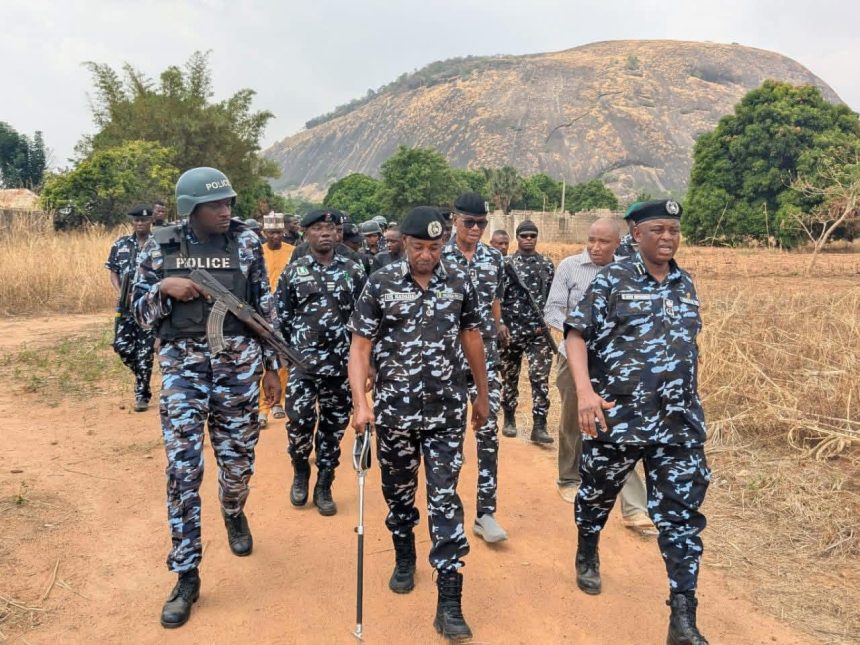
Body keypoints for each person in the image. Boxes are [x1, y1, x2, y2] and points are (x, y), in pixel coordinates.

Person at [132, 167, 282, 629]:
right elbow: (138, 314)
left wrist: (272, 367)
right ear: (190, 209)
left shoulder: (246, 243)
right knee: (182, 471)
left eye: (228, 202)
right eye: (216, 204)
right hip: (183, 371)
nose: (225, 211)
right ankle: (186, 574)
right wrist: (163, 289)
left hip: (238, 370)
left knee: (237, 466)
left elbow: (264, 306)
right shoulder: (160, 246)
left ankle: (233, 508)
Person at [564, 199, 710, 645]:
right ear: (636, 234)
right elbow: (576, 335)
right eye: (657, 229)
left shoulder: (685, 283)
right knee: (596, 496)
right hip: (619, 418)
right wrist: (585, 393)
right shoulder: (612, 280)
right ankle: (588, 548)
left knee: (681, 517)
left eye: (673, 230)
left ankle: (682, 617)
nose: (667, 237)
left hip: (678, 423)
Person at [348, 206, 489, 641]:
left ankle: (449, 601)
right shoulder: (380, 282)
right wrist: (360, 403)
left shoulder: (460, 281)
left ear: (443, 244)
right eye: (418, 247)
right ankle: (405, 552)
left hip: (446, 411)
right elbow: (360, 346)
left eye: (434, 247)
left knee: (445, 497)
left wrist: (482, 394)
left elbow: (471, 338)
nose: (426, 255)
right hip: (395, 412)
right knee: (399, 492)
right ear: (404, 243)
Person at [544, 218, 653, 529]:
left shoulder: (628, 272)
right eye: (591, 240)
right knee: (572, 419)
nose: (595, 247)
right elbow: (552, 309)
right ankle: (569, 478)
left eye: (603, 242)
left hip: (612, 363)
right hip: (572, 358)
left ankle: (633, 508)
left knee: (618, 425)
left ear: (617, 244)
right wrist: (577, 333)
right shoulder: (569, 267)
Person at [275, 209, 366, 516]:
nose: (325, 233)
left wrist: (366, 363)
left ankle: (325, 484)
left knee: (333, 428)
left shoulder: (354, 270)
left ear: (338, 233)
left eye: (330, 227)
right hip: (303, 365)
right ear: (306, 234)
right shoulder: (293, 271)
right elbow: (281, 317)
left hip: (341, 366)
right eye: (317, 228)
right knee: (298, 422)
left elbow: (365, 319)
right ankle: (300, 469)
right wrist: (286, 356)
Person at [442, 192, 509, 544]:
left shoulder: (494, 258)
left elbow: (496, 300)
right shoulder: (438, 256)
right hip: (448, 362)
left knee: (488, 435)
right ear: (455, 220)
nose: (476, 229)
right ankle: (447, 512)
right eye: (469, 222)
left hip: (486, 360)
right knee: (450, 439)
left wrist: (498, 327)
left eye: (482, 223)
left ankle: (486, 513)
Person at [499, 220, 555, 444]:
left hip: (538, 332)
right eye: (524, 236)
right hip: (511, 331)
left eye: (533, 235)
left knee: (540, 378)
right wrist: (500, 323)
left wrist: (548, 321)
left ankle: (539, 425)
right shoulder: (506, 264)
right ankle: (509, 418)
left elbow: (553, 297)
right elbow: (496, 298)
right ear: (518, 238)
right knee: (509, 377)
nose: (529, 239)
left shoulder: (546, 264)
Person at [106, 204, 157, 412]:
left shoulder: (158, 245)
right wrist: (120, 292)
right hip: (125, 307)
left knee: (145, 352)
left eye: (144, 220)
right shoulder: (121, 244)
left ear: (151, 221)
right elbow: (113, 271)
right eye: (136, 220)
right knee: (122, 346)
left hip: (149, 307)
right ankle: (142, 376)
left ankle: (142, 395)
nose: (140, 223)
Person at [257, 212, 295, 428]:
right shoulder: (257, 252)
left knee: (282, 358)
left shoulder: (292, 252)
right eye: (271, 232)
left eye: (279, 232)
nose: (275, 236)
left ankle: (278, 403)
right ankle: (262, 408)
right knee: (263, 359)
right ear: (264, 233)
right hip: (260, 312)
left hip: (283, 311)